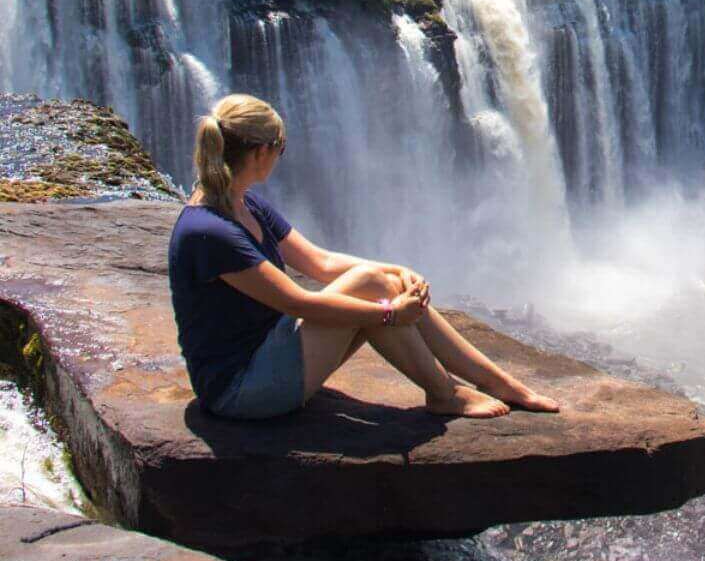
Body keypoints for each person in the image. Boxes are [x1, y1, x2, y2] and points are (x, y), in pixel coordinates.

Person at [168, 93, 560, 421]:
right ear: (259, 153)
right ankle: (444, 393)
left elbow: (320, 263)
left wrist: (398, 271)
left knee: (382, 281)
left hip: (271, 351)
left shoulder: (245, 204)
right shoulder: (210, 232)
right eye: (280, 149)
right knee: (373, 287)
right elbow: (297, 300)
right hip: (241, 389)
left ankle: (496, 381)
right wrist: (389, 313)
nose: (280, 157)